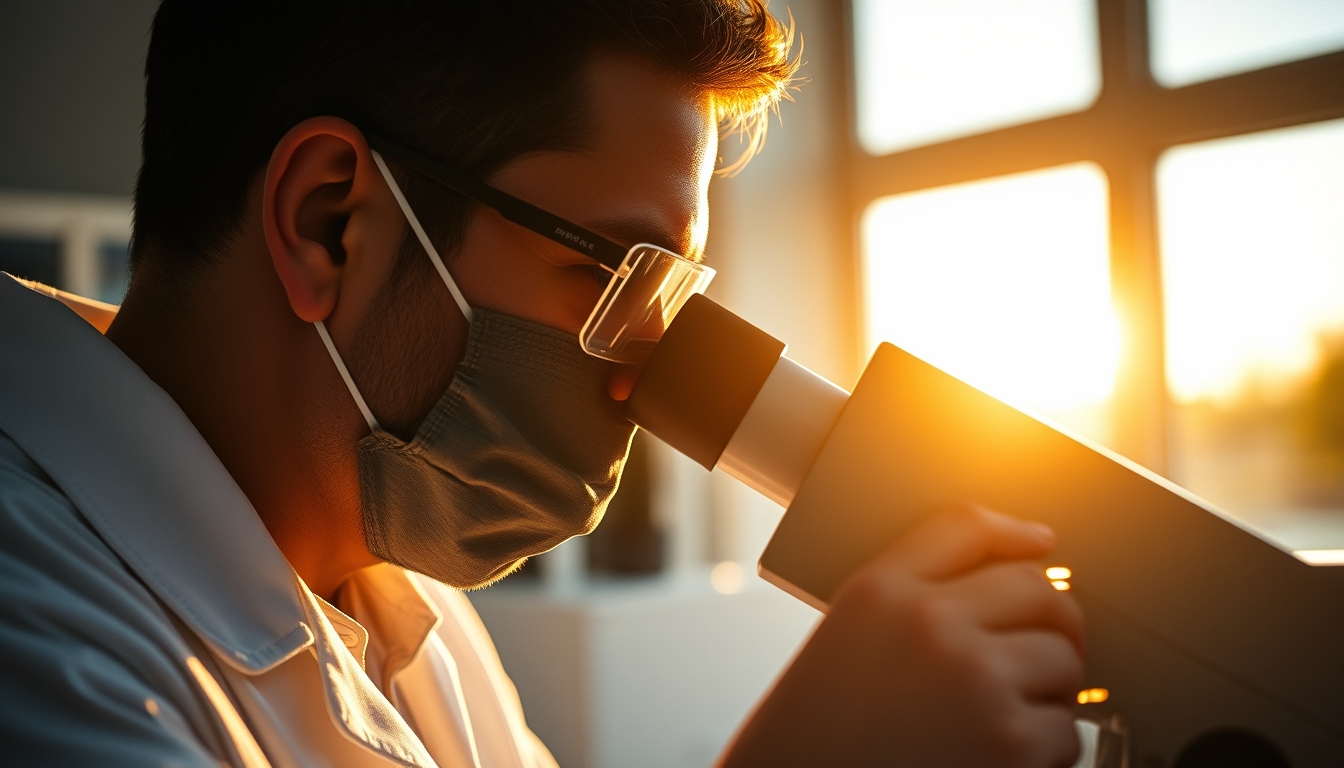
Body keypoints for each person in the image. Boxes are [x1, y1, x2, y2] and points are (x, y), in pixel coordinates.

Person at [0, 1, 1086, 766]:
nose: (641, 374)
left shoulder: (420, 628)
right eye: (617, 271)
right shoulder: (35, 640)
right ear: (327, 220)